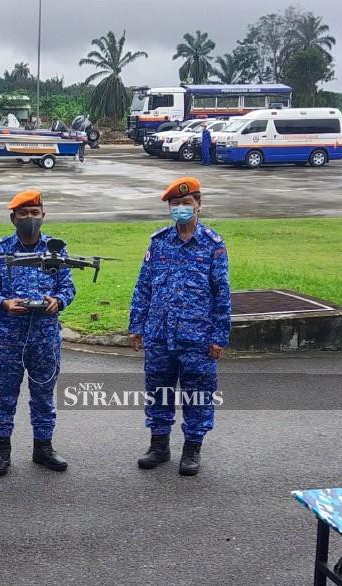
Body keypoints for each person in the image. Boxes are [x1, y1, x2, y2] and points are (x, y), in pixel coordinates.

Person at [129, 177, 231, 476]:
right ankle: (159, 446)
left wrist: (219, 336)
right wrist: (137, 325)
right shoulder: (158, 242)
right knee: (158, 391)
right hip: (160, 334)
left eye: (187, 203)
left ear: (198, 204)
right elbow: (143, 286)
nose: (181, 209)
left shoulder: (213, 245)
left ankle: (192, 449)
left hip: (197, 337)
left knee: (197, 394)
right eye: (176, 205)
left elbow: (222, 292)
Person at [0, 190, 76, 477]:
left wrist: (58, 301)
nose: (30, 219)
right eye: (24, 214)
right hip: (10, 335)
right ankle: (2, 450)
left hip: (44, 336)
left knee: (43, 393)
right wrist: (4, 303)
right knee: (5, 394)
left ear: (43, 216)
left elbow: (67, 287)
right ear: (13, 218)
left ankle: (43, 447)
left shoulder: (56, 249)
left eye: (35, 213)